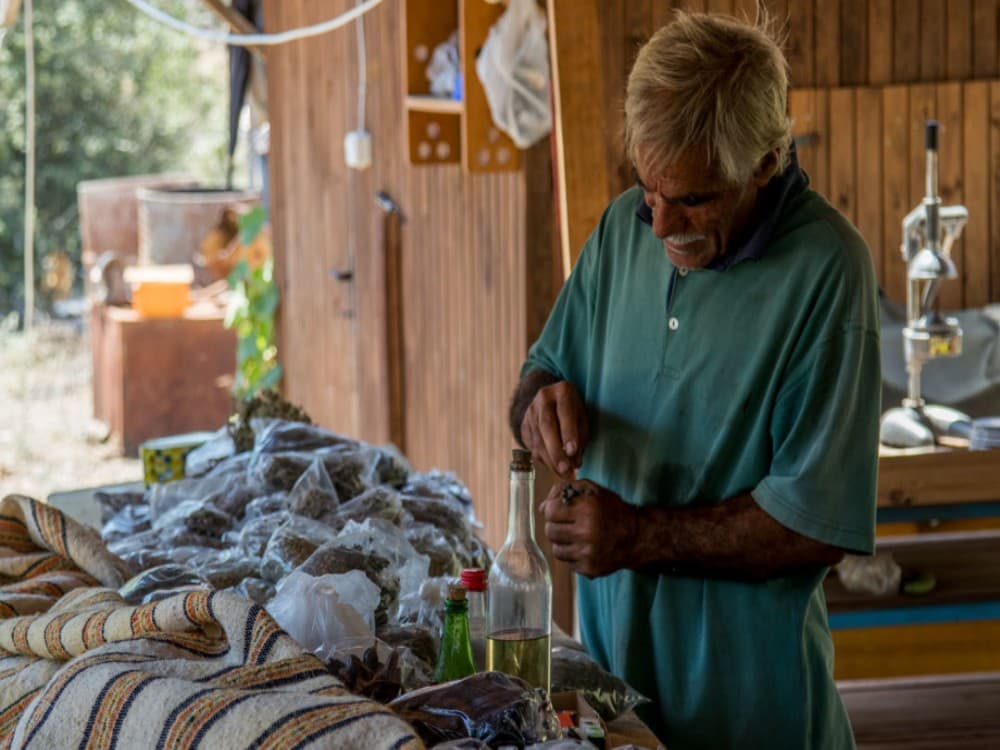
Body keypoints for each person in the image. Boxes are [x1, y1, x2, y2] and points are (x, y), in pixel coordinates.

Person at [510, 11, 880, 749]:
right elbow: (541, 371)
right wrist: (538, 406)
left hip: (752, 712)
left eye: (694, 199)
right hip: (615, 704)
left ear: (768, 163)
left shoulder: (827, 272)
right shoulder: (624, 227)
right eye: (649, 188)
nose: (659, 223)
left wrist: (638, 536)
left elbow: (811, 526)